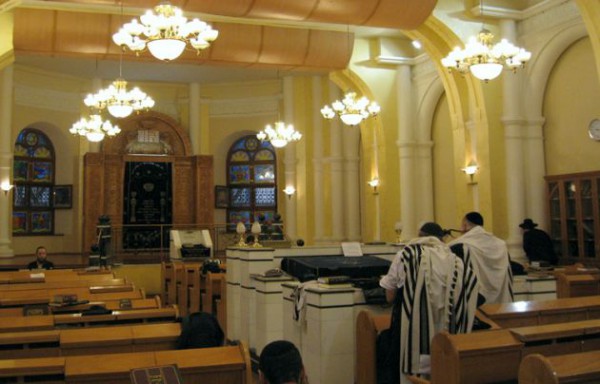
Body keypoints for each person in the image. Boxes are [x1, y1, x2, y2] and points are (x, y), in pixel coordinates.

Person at [379, 222, 480, 383]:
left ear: (420, 235)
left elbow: (389, 295)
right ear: (441, 238)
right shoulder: (455, 260)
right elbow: (472, 285)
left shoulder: (407, 254)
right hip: (447, 330)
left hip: (414, 327)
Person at [448, 212, 513, 305]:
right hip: (501, 301)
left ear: (465, 225)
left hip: (477, 302)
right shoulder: (500, 244)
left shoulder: (461, 246)